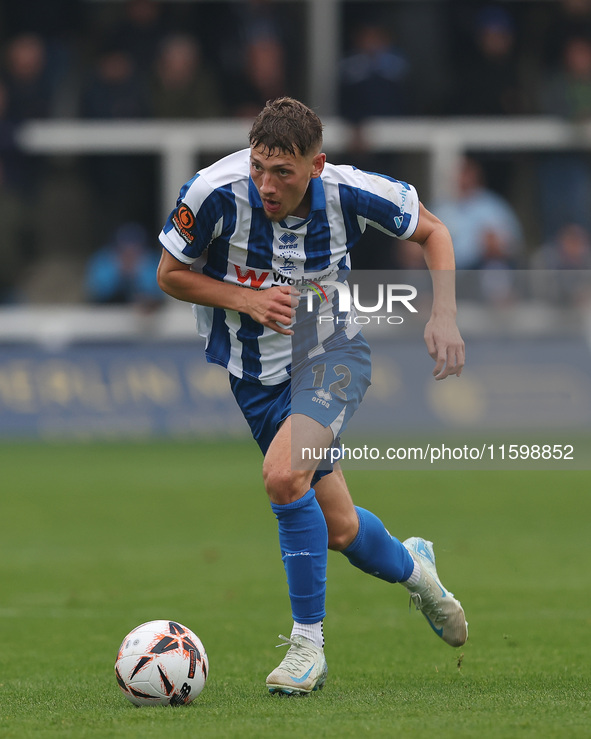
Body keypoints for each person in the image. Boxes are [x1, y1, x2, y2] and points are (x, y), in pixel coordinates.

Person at [157, 97, 467, 695]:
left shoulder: (351, 192)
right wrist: (245, 299)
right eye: (258, 168)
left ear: (316, 166)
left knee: (282, 478)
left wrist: (445, 315)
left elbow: (435, 231)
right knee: (341, 529)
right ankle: (420, 574)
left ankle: (307, 647)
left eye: (283, 173)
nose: (267, 185)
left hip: (332, 358)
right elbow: (169, 273)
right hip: (253, 378)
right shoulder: (212, 193)